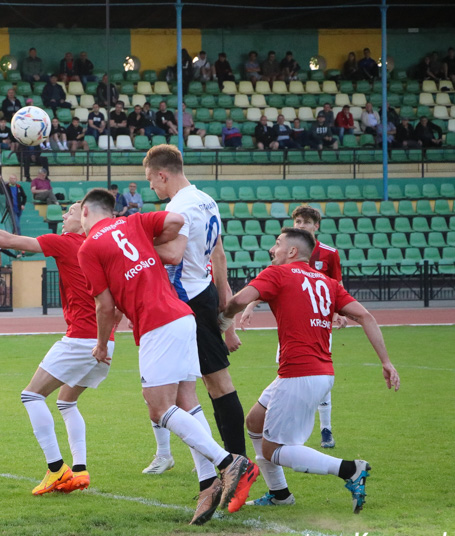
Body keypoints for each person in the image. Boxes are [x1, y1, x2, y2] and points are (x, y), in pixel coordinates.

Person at [76, 188, 258, 526]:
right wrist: (152, 247)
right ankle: (208, 485)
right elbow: (177, 219)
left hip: (157, 322)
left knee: (158, 408)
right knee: (186, 401)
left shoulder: (88, 248)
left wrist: (102, 345)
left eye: (73, 214)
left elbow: (104, 306)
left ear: (86, 212)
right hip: (182, 315)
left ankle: (230, 462)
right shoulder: (132, 222)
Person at [223, 227, 400, 513]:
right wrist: (386, 362)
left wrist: (220, 320)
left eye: (277, 244)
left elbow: (238, 300)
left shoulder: (277, 273)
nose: (273, 249)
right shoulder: (329, 283)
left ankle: (349, 469)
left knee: (273, 450)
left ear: (292, 251)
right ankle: (280, 494)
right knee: (255, 421)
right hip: (319, 373)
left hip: (299, 375)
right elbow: (365, 316)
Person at [0, 203, 115, 495]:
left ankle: (56, 469)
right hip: (105, 341)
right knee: (66, 402)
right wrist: (106, 339)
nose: (64, 216)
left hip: (81, 338)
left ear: (86, 218)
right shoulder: (103, 247)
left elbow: (11, 241)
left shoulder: (66, 243)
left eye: (71, 212)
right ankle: (79, 470)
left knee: (31, 395)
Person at [139, 145, 245, 480]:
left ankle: (236, 464)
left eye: (151, 180)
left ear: (163, 174)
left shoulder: (180, 207)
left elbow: (173, 253)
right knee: (195, 387)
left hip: (186, 299)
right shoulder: (206, 200)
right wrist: (224, 307)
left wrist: (128, 241)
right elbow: (219, 256)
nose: (151, 188)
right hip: (204, 292)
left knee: (210, 384)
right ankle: (220, 466)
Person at [240, 205, 345, 453]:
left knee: (314, 367)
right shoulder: (284, 256)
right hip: (293, 324)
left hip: (318, 325)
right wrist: (251, 305)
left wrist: (338, 311)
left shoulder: (329, 254)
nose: (301, 225)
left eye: (306, 222)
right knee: (291, 366)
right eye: (298, 221)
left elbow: (336, 285)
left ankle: (324, 428)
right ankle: (288, 425)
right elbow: (268, 284)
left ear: (316, 226)